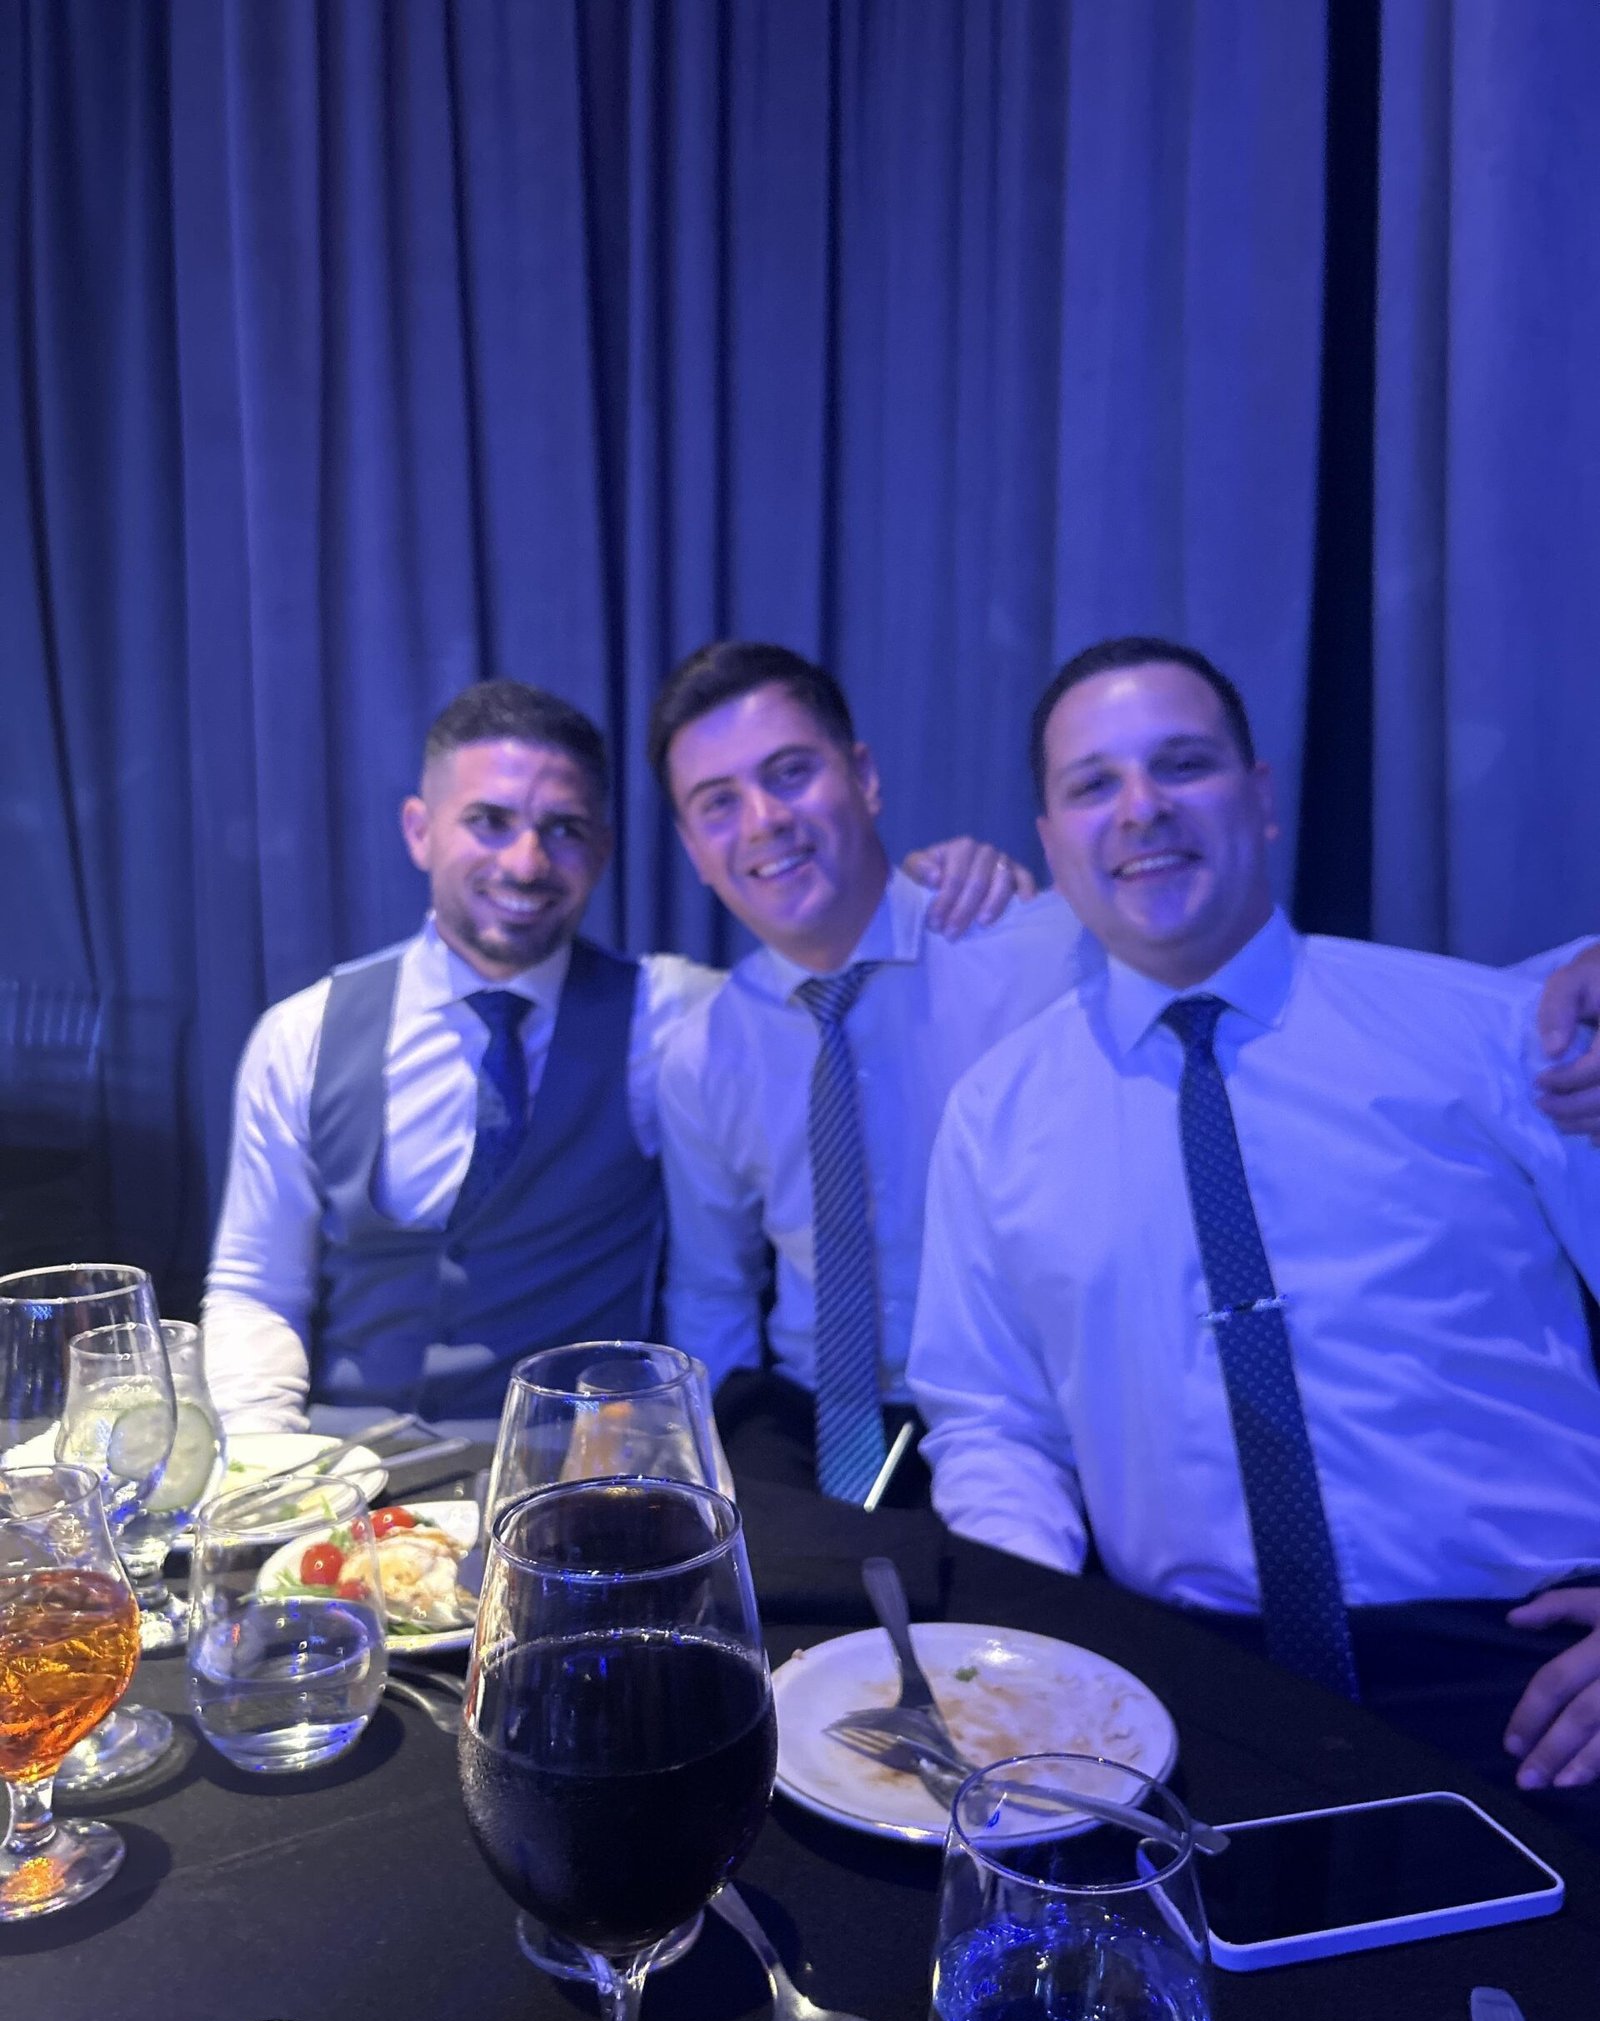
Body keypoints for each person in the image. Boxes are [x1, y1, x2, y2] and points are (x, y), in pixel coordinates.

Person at [910, 635, 1600, 1815]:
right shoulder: (994, 1117)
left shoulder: (1492, 1036)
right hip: (1185, 1689)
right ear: (1051, 843)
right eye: (1093, 784)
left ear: (1261, 797)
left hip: (1531, 1671)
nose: (1142, 808)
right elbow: (992, 1422)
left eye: (1182, 764)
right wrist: (1026, 1654)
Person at [203, 677, 1024, 1428]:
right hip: (342, 1471)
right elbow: (255, 1285)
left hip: (571, 1474)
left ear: (601, 850)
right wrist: (260, 1458)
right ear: (421, 830)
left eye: (562, 831)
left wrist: (943, 883)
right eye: (489, 822)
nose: (526, 863)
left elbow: (828, 973)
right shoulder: (302, 1035)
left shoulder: (680, 1019)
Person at [650, 641, 1089, 1506]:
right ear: (693, 848)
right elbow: (713, 1290)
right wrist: (700, 1478)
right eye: (718, 803)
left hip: (1028, 1414)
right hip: (812, 1423)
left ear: (865, 777)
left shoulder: (1041, 955)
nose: (763, 820)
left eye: (790, 773)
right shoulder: (702, 1052)